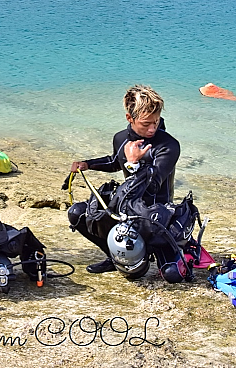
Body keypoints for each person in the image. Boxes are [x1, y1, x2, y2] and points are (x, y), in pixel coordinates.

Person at [68, 85, 180, 274]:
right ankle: (113, 256)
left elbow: (152, 187)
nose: (153, 128)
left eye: (156, 121)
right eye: (146, 123)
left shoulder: (168, 146)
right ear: (130, 118)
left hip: (155, 217)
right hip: (126, 209)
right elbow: (114, 162)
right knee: (78, 213)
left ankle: (150, 253)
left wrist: (134, 163)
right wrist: (87, 164)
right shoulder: (121, 139)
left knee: (171, 274)